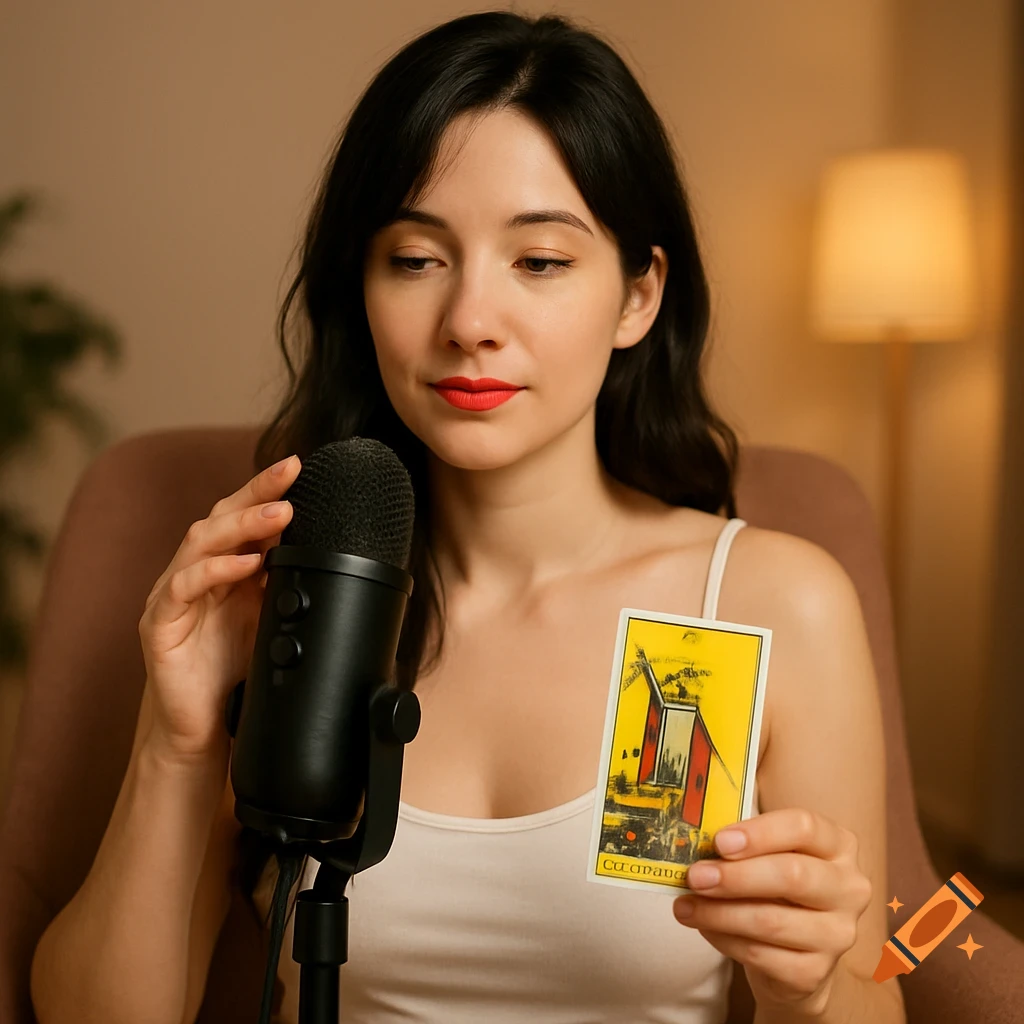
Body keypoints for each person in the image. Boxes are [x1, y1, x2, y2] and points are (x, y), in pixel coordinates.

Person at [29, 10, 905, 1024]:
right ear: (358, 289)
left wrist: (809, 984)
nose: (469, 322)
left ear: (637, 295)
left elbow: (889, 971)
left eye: (539, 261)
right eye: (414, 259)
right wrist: (174, 745)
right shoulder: (286, 600)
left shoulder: (760, 605)